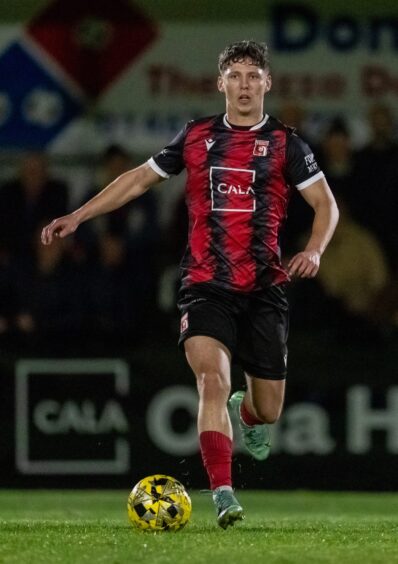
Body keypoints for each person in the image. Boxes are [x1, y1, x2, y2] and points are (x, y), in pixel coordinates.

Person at [41, 40, 339, 529]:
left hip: (265, 287)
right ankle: (223, 492)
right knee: (211, 381)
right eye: (235, 75)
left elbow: (326, 205)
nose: (244, 85)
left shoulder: (287, 144)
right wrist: (79, 215)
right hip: (206, 284)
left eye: (253, 76)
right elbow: (139, 179)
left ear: (268, 83)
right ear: (220, 83)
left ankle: (248, 416)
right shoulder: (197, 136)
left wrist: (314, 250)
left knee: (269, 410)